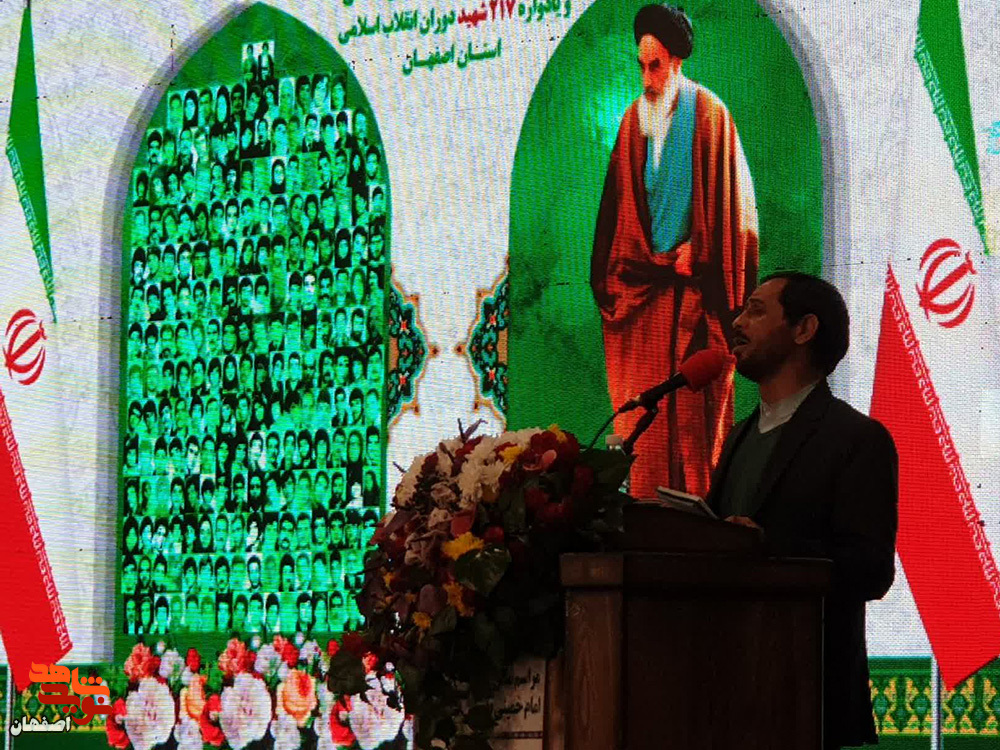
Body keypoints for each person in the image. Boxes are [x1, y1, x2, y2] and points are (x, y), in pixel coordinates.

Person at [704, 272, 898, 750]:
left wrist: (768, 546)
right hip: (723, 693)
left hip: (807, 695)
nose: (736, 322)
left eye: (755, 310)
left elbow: (871, 570)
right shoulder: (739, 435)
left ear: (804, 329)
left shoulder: (856, 438)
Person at [591, 4, 758, 498]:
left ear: (677, 61)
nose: (647, 80)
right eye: (641, 67)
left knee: (694, 431)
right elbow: (618, 217)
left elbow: (736, 216)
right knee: (642, 429)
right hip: (644, 302)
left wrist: (701, 250)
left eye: (656, 66)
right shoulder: (632, 122)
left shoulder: (710, 115)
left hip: (694, 295)